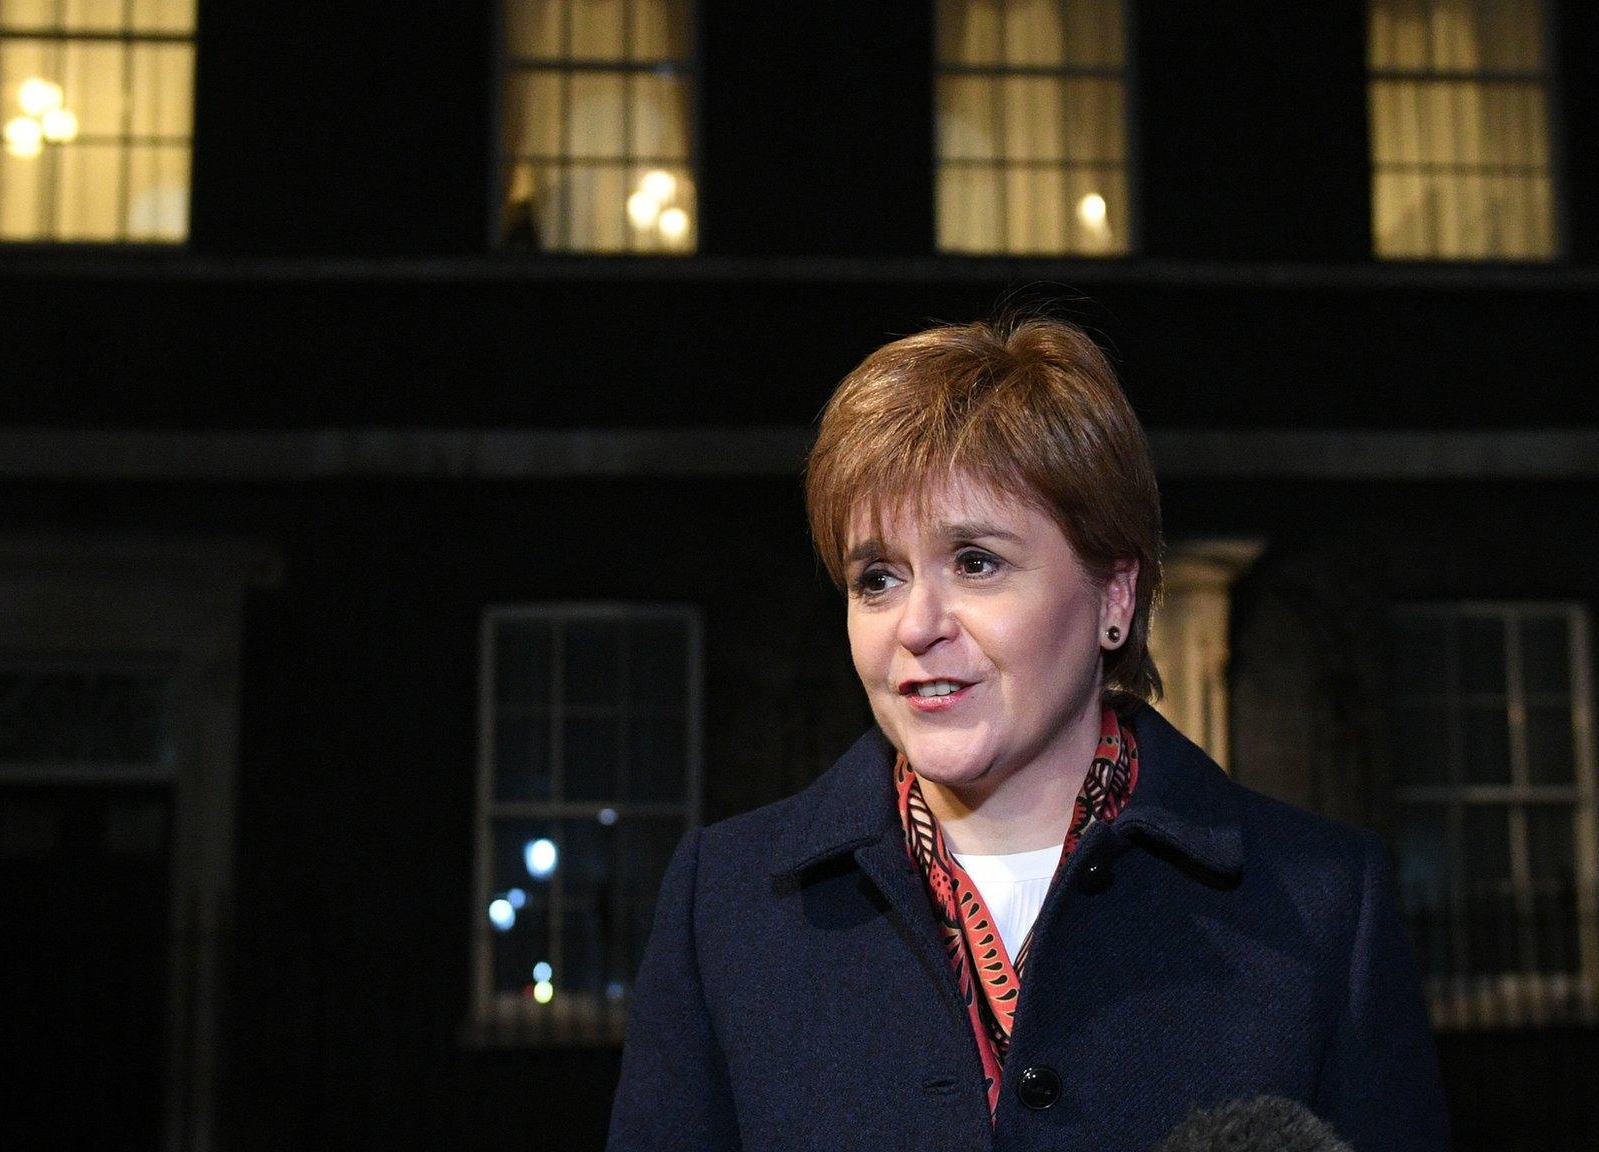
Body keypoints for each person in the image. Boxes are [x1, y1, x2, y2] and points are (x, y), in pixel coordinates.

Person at [607, 315, 1450, 1151]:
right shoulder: (723, 906)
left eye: (975, 562)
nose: (917, 624)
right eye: (877, 578)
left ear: (1115, 597)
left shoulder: (1325, 906)